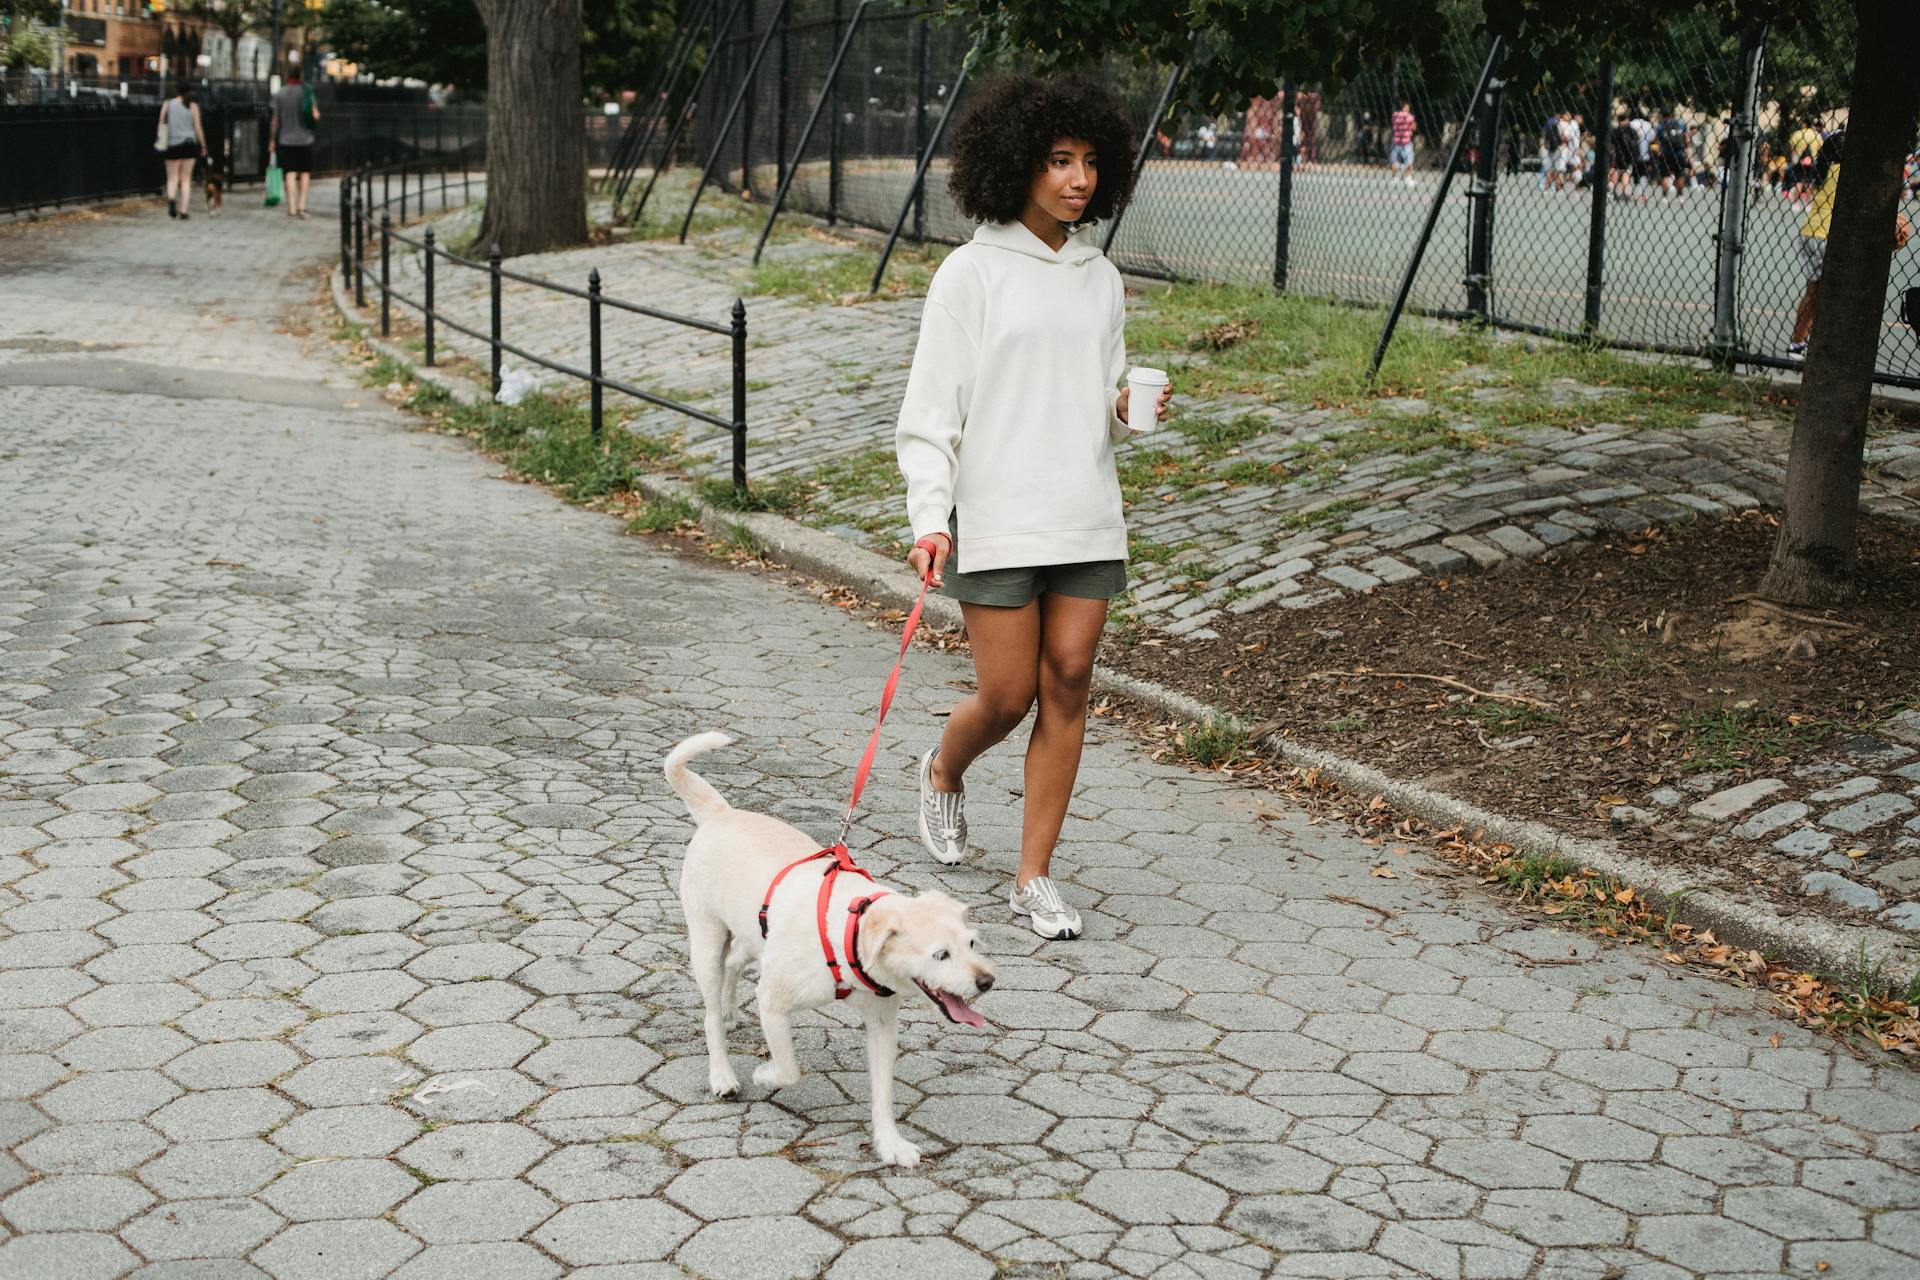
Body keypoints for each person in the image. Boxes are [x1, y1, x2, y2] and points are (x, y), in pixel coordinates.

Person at [894, 73, 1173, 942]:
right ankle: (944, 768)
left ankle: (1033, 878)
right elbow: (931, 414)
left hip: (1086, 511)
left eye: (1090, 163)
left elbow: (1098, 396)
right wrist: (930, 517)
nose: (1077, 180)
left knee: (1069, 683)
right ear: (1018, 165)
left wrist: (1124, 411)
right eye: (1059, 161)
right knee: (1008, 693)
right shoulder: (971, 274)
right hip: (1000, 516)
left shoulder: (1099, 277)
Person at [270, 67, 321, 219]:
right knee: (305, 172)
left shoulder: (280, 93)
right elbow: (315, 115)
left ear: (287, 75)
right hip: (305, 139)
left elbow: (275, 120)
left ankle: (291, 208)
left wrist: (272, 139)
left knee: (290, 174)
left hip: (286, 140)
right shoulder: (307, 92)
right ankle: (302, 206)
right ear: (301, 76)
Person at [157, 84, 206, 221]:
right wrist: (203, 145)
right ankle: (184, 210)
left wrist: (161, 139)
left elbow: (161, 123)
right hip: (189, 145)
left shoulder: (168, 104)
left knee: (172, 177)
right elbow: (197, 128)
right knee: (186, 179)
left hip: (172, 144)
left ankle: (172, 199)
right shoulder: (193, 106)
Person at [1389, 100, 1417, 185]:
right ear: (1404, 107)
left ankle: (1394, 178)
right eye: (1407, 107)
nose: (1408, 108)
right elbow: (1414, 128)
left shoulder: (1394, 116)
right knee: (1409, 160)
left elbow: (1393, 125)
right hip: (1406, 141)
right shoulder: (1409, 116)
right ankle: (1409, 178)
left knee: (1394, 160)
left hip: (1396, 141)